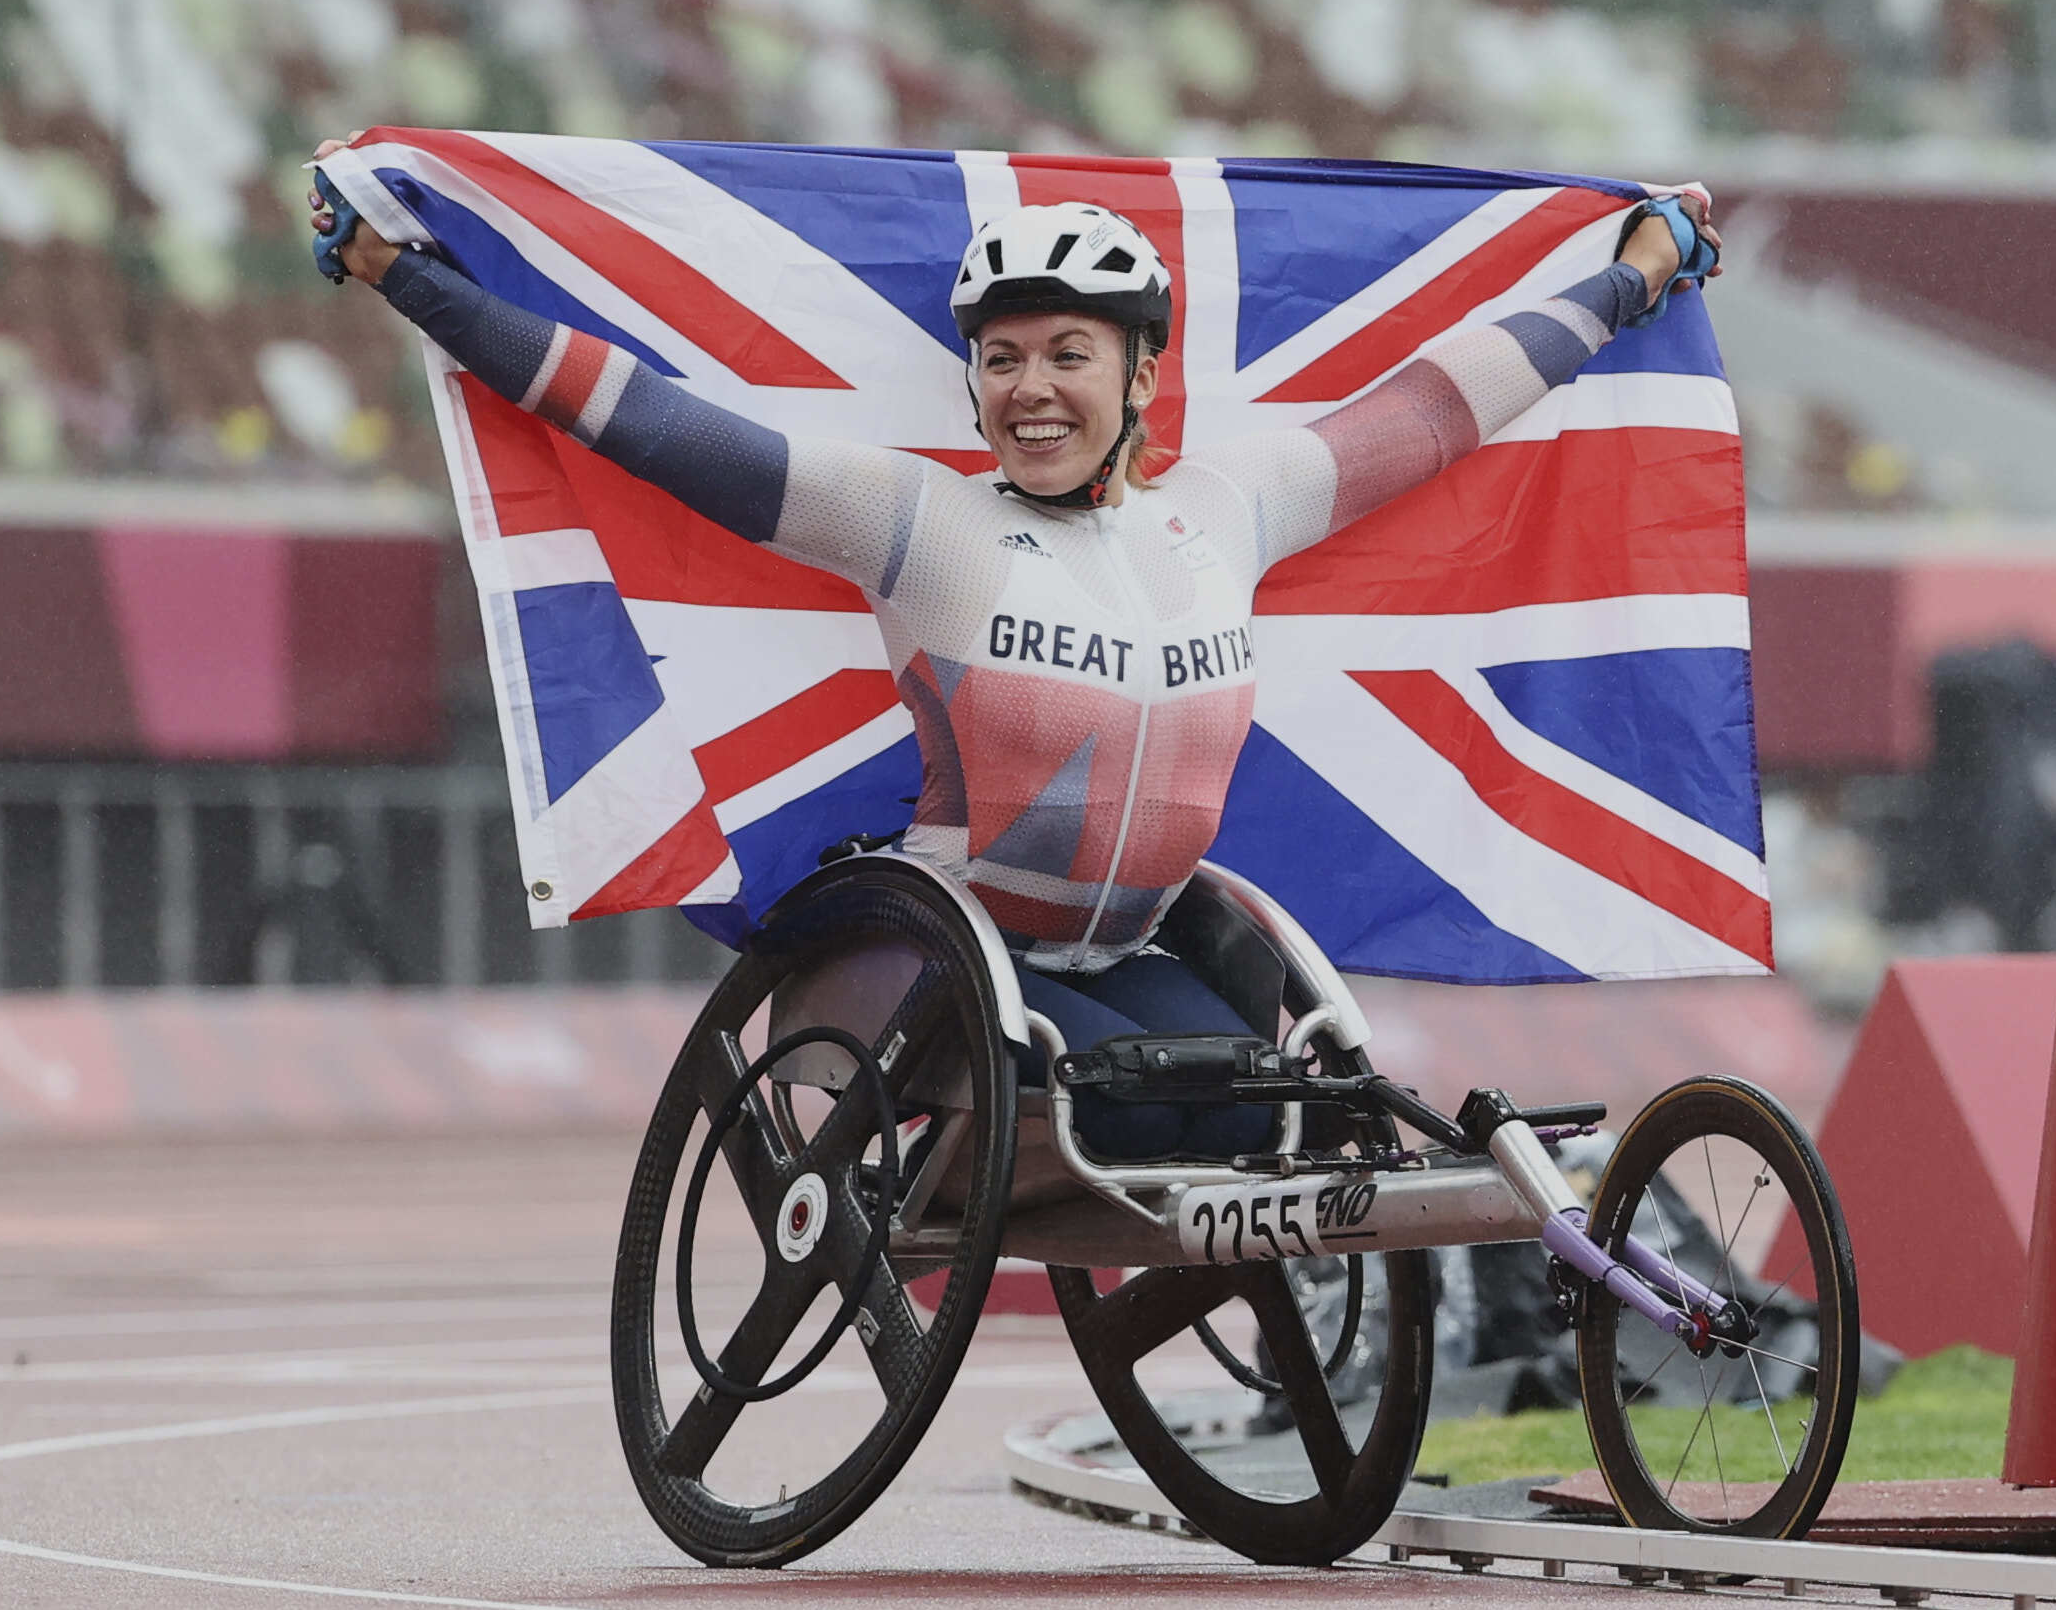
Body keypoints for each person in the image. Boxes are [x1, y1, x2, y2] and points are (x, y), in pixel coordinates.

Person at [312, 147, 1717, 1155]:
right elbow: (656, 426)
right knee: (1149, 1103)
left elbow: (1437, 407)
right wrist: (413, 285)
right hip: (952, 964)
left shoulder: (1228, 510)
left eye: (1065, 353)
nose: (1028, 388)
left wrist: (1629, 281)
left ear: (1139, 374)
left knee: (1298, 1110)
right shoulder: (917, 519)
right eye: (999, 358)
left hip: (1128, 948)